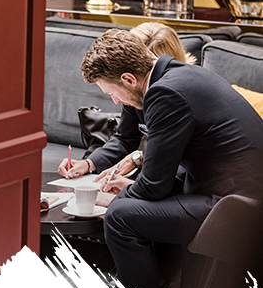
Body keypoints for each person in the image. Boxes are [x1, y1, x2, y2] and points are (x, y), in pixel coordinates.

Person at [70, 29, 263, 288]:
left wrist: (118, 197)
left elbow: (154, 186)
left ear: (128, 79)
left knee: (120, 217)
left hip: (236, 208)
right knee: (130, 203)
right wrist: (131, 188)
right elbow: (161, 175)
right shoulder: (182, 74)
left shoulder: (164, 92)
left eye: (112, 93)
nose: (115, 101)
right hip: (230, 191)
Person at [58, 22, 196, 182]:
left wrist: (138, 160)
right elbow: (125, 138)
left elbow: (179, 155)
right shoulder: (134, 89)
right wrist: (89, 163)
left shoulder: (181, 94)